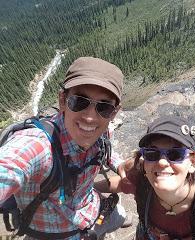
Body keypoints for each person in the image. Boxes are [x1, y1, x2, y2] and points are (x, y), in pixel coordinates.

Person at [0, 57, 129, 239]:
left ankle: (113, 221)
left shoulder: (103, 130)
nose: (91, 118)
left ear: (114, 112)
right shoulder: (38, 146)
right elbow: (11, 164)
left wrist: (119, 165)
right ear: (63, 100)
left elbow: (107, 153)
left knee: (121, 215)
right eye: (79, 101)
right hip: (54, 233)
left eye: (104, 107)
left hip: (92, 207)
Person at [104, 115, 195, 240]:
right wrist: (86, 189)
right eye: (152, 153)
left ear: (193, 162)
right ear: (144, 163)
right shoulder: (142, 180)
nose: (162, 162)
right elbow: (120, 184)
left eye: (175, 154)